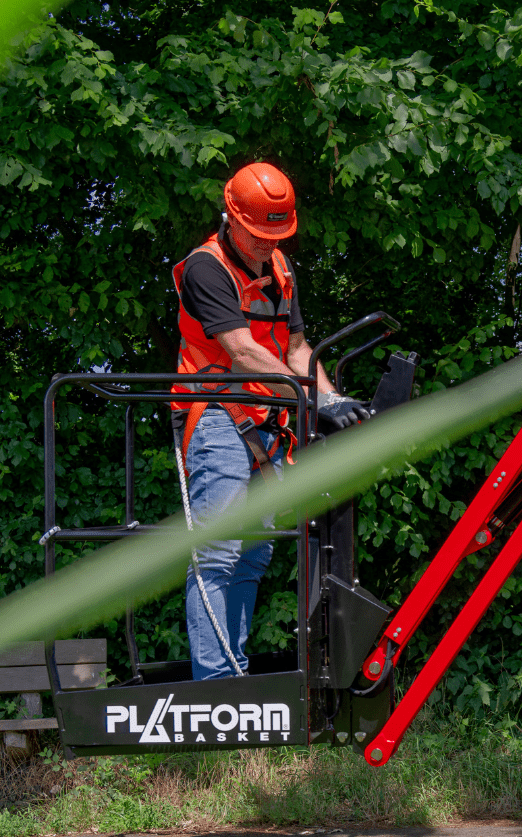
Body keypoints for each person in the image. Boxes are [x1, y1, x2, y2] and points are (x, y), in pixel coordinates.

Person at [171, 161, 370, 680]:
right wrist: (309, 398)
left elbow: (298, 347)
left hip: (266, 417)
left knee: (254, 555)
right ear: (231, 216)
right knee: (217, 552)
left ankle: (234, 676)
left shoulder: (280, 269)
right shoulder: (205, 268)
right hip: (216, 413)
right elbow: (240, 350)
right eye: (259, 233)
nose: (267, 243)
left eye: (275, 233)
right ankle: (215, 687)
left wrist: (333, 400)